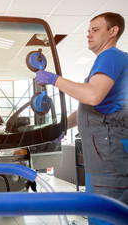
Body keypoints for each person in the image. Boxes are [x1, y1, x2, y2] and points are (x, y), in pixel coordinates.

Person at [36, 12, 128, 224]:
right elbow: (90, 107)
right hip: (103, 158)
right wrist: (61, 127)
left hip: (109, 160)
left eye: (95, 30)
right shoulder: (105, 62)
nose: (88, 35)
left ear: (113, 32)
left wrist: (54, 79)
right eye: (88, 31)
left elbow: (92, 95)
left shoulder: (111, 56)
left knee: (106, 217)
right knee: (101, 214)